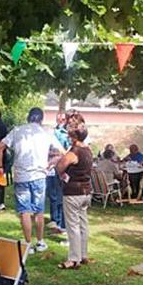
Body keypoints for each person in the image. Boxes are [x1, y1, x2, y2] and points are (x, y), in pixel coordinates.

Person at [0, 107, 64, 253]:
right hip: (39, 175)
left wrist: (0, 167)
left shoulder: (17, 130)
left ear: (28, 117)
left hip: (21, 176)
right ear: (41, 119)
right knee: (38, 211)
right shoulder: (46, 132)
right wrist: (52, 161)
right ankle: (40, 241)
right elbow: (62, 152)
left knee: (24, 211)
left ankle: (28, 244)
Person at [54, 112, 93, 269]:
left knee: (73, 226)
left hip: (73, 192)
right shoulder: (88, 150)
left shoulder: (74, 152)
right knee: (83, 224)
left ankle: (73, 259)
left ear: (73, 137)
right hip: (86, 191)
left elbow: (60, 167)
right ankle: (83, 255)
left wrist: (60, 167)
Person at [46, 112, 70, 232]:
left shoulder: (66, 134)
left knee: (59, 194)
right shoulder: (52, 132)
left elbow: (66, 152)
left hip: (60, 167)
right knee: (52, 194)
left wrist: (56, 154)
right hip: (50, 167)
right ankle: (54, 219)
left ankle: (58, 220)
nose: (60, 121)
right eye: (58, 119)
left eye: (62, 119)